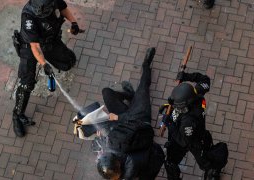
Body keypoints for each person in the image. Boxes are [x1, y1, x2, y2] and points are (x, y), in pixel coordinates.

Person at [12, 0, 82, 137]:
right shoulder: (29, 18)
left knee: (68, 62)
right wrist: (44, 64)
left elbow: (63, 9)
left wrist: (74, 23)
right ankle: (17, 115)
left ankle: (59, 57)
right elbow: (35, 47)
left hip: (49, 41)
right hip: (30, 48)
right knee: (27, 84)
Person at [94, 47, 165, 180]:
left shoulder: (114, 154)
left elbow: (100, 146)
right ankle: (146, 64)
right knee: (143, 87)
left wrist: (99, 137)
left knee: (107, 93)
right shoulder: (130, 160)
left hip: (123, 123)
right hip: (139, 120)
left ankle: (129, 95)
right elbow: (134, 125)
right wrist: (118, 118)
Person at [160, 71, 227, 180]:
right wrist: (187, 76)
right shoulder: (197, 94)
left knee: (206, 164)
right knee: (172, 163)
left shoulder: (188, 122)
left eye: (178, 106)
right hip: (200, 134)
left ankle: (212, 173)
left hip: (195, 142)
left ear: (185, 106)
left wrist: (170, 124)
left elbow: (183, 142)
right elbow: (205, 80)